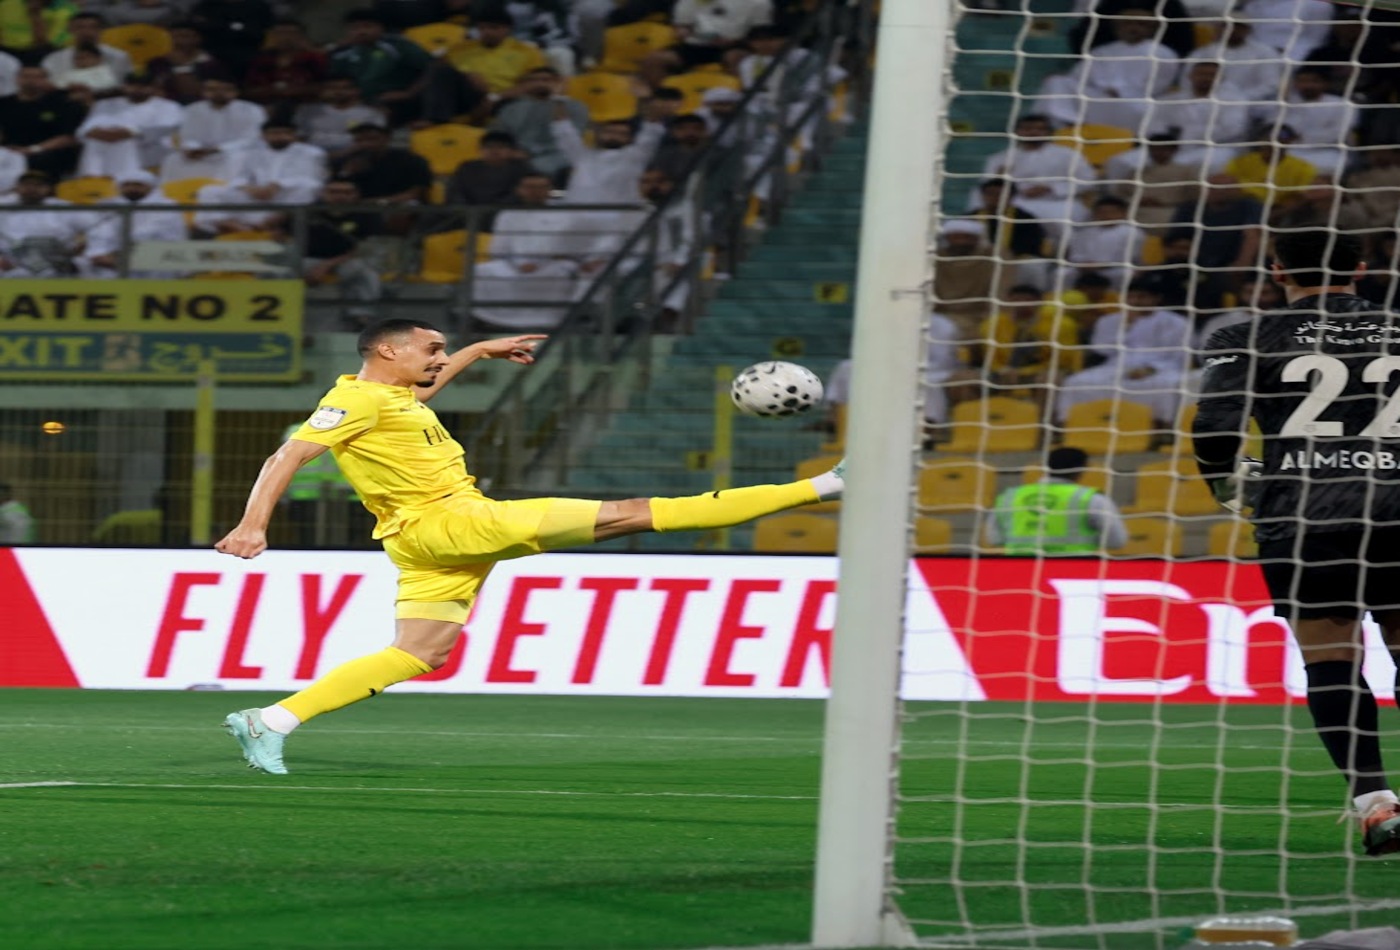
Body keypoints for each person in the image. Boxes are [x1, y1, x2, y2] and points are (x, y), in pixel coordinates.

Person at [215, 319, 846, 774]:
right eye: (431, 349)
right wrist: (252, 525)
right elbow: (288, 453)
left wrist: (479, 351)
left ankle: (271, 721)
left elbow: (422, 393)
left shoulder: (389, 397)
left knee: (422, 651)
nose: (439, 358)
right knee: (632, 516)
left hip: (423, 542)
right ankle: (826, 485)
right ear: (388, 349)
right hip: (453, 521)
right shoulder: (351, 396)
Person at [1192, 229, 1400, 856]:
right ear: (1360, 269)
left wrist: (1249, 496)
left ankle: (1377, 806)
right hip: (1397, 505)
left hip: (1303, 518)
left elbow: (1213, 431)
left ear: (1276, 269)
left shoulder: (1241, 336)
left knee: (1332, 659)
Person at [984, 446, 1127, 554]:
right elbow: (1116, 541)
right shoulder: (1092, 499)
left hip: (1020, 570)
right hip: (1072, 569)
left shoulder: (1010, 497)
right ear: (1082, 469)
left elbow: (994, 538)